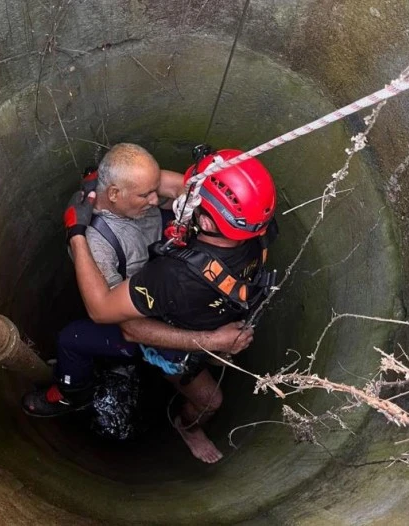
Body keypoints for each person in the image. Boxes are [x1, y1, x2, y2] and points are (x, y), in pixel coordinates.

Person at [25, 146, 275, 463]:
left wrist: (75, 230)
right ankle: (72, 394)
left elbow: (173, 189)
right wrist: (78, 236)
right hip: (140, 309)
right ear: (115, 193)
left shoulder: (176, 265)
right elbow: (121, 322)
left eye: (154, 190)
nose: (157, 199)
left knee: (209, 392)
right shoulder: (102, 246)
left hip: (172, 298)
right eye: (146, 193)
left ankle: (188, 413)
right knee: (71, 340)